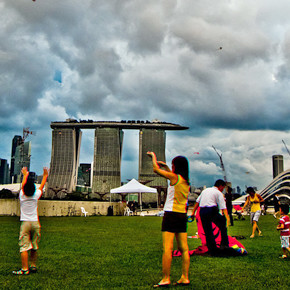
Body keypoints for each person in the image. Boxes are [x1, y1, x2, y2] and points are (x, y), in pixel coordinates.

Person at [147, 152, 190, 287]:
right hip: (182, 215)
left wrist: (153, 156)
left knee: (167, 248)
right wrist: (166, 167)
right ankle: (185, 277)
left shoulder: (174, 177)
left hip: (171, 214)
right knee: (184, 249)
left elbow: (155, 169)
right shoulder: (185, 182)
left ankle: (166, 278)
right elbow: (173, 178)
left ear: (176, 166)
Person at [12, 167, 49, 275]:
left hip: (25, 223)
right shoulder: (36, 195)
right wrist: (45, 175)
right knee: (34, 245)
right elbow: (41, 187)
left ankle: (24, 269)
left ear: (24, 190)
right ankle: (33, 266)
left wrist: (25, 175)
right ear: (33, 189)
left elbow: (23, 185)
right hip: (35, 223)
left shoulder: (22, 196)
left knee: (24, 247)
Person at [191, 179, 230, 255]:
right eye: (223, 188)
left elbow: (197, 202)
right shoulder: (218, 192)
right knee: (222, 225)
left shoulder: (205, 190)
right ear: (221, 186)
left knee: (208, 231)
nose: (223, 190)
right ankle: (224, 245)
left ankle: (212, 250)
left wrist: (193, 213)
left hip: (202, 211)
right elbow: (223, 207)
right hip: (211, 209)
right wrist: (227, 218)